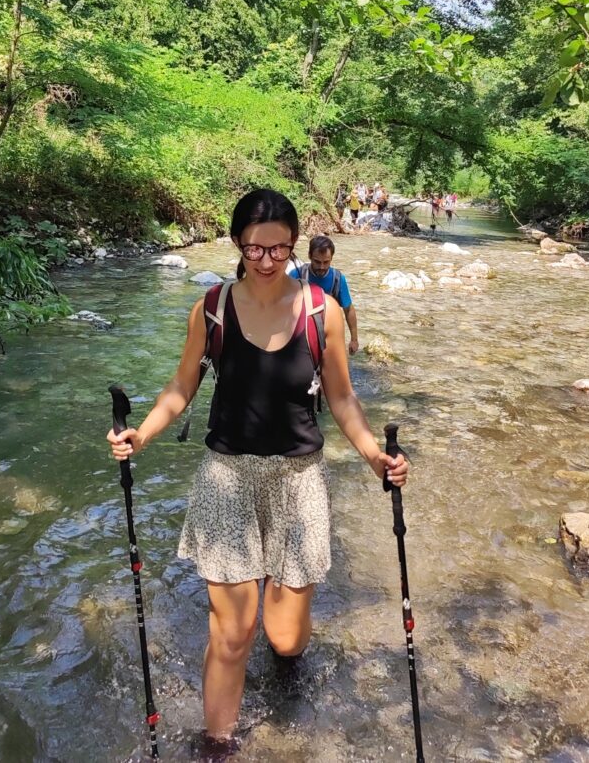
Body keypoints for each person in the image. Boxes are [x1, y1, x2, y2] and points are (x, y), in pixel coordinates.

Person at [106, 189, 408, 756]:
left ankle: (286, 654)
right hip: (227, 477)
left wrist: (375, 457)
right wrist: (140, 434)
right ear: (237, 244)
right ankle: (217, 744)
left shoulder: (324, 311)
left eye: (278, 249)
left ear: (294, 246)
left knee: (286, 638)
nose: (266, 260)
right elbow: (181, 385)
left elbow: (342, 400)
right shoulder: (213, 307)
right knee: (232, 630)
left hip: (298, 480)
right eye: (253, 248)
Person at [289, 235, 359, 355]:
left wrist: (354, 339)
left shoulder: (337, 279)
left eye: (326, 262)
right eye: (317, 262)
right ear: (309, 256)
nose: (322, 267)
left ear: (332, 258)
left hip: (329, 334)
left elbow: (348, 309)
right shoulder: (296, 275)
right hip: (302, 334)